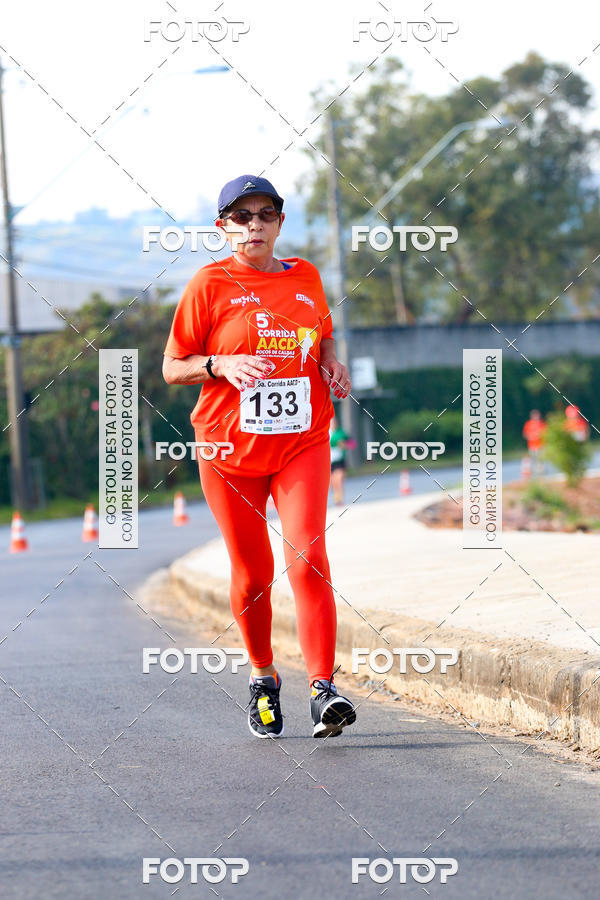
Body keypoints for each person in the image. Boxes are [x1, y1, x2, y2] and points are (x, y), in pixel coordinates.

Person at [162, 175, 356, 740]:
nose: (254, 225)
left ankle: (324, 690)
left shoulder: (306, 277)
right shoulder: (210, 283)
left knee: (308, 557)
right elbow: (174, 366)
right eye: (241, 217)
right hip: (228, 449)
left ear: (279, 223)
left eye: (265, 214)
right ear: (223, 227)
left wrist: (331, 362)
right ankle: (263, 678)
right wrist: (220, 365)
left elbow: (321, 336)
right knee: (253, 575)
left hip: (302, 440)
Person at [329, 415, 350, 505]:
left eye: (335, 422)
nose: (334, 424)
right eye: (332, 422)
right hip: (329, 461)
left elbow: (352, 444)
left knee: (339, 479)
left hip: (339, 460)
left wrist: (344, 445)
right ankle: (336, 496)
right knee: (332, 482)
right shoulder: (325, 433)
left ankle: (339, 499)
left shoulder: (341, 433)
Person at [522, 410, 547, 477]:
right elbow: (525, 434)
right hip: (532, 445)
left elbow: (545, 432)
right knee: (534, 458)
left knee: (540, 458)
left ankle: (540, 471)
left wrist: (539, 435)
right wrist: (530, 436)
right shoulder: (528, 424)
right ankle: (533, 471)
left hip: (540, 445)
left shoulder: (542, 423)